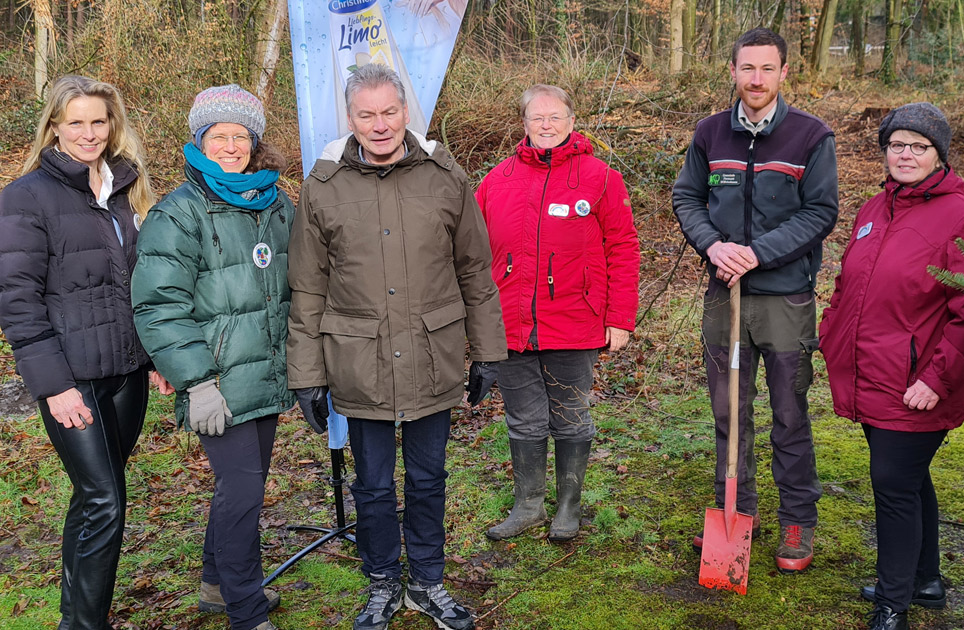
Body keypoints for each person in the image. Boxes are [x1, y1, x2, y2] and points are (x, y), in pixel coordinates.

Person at [287, 63, 505, 630]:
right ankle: (383, 581)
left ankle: (429, 582)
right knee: (374, 485)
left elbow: (474, 271)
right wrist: (306, 374)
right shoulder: (323, 185)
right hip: (360, 362)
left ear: (406, 111)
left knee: (429, 478)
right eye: (367, 114)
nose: (380, 125)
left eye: (389, 112)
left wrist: (488, 352)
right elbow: (308, 286)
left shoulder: (445, 178)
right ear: (351, 117)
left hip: (433, 356)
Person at [672, 27, 838, 573]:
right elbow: (687, 196)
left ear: (785, 72)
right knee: (728, 410)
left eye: (767, 69)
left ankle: (797, 518)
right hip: (725, 298)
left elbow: (820, 212)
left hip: (783, 299)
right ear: (734, 71)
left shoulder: (811, 137)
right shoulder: (710, 133)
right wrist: (714, 245)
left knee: (788, 412)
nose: (757, 79)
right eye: (748, 68)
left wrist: (756, 253)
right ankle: (735, 508)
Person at [0, 74, 161, 630]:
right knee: (105, 502)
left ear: (112, 124)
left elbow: (141, 283)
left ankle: (76, 616)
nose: (89, 133)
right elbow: (16, 300)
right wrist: (55, 386)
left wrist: (154, 355)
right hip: (73, 379)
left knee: (96, 498)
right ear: (54, 127)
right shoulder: (25, 198)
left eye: (99, 121)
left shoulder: (124, 188)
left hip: (126, 372)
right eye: (77, 122)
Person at [819, 103, 964, 630]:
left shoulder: (958, 215)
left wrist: (936, 380)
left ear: (939, 155)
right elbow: (850, 284)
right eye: (897, 145)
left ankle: (893, 601)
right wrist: (830, 333)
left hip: (917, 382)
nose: (906, 154)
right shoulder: (873, 208)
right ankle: (925, 579)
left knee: (893, 484)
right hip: (871, 370)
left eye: (919, 146)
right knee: (909, 482)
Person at [131, 85, 293, 630]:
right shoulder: (178, 213)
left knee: (241, 488)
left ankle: (216, 584)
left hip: (265, 372)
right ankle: (245, 609)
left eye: (240, 136)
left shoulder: (273, 202)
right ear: (199, 141)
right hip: (219, 380)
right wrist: (196, 381)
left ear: (254, 142)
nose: (230, 146)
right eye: (217, 136)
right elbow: (158, 305)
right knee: (243, 490)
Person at [475, 84, 640, 543]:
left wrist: (620, 317)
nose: (546, 125)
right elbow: (470, 249)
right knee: (524, 419)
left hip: (575, 320)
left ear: (572, 120)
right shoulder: (498, 179)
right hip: (510, 324)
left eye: (555, 117)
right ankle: (528, 504)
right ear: (523, 123)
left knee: (569, 415)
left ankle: (568, 505)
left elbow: (623, 248)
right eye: (537, 117)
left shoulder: (600, 177)